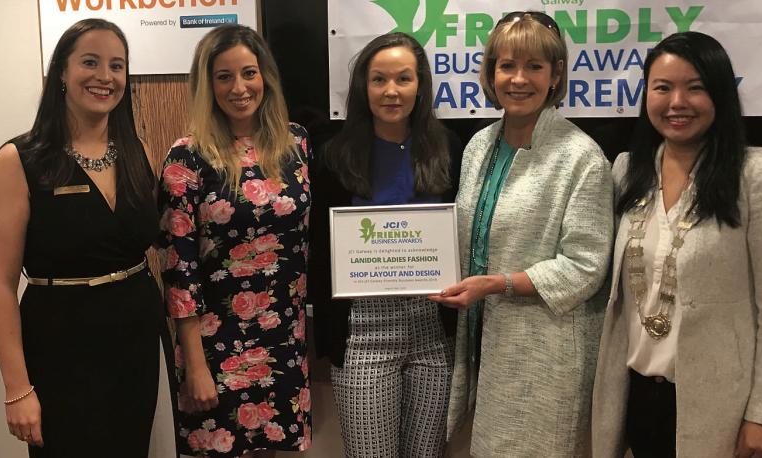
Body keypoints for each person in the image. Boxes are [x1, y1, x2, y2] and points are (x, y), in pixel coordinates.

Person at [591, 31, 762, 458]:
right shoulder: (627, 171)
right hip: (638, 399)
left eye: (695, 87)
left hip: (726, 407)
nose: (676, 102)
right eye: (663, 88)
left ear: (720, 94)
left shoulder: (756, 173)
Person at [430, 12, 613, 457]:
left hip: (543, 349)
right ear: (491, 73)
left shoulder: (581, 157)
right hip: (480, 342)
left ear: (555, 76)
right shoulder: (479, 145)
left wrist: (497, 284)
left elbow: (585, 267)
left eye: (534, 66)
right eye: (507, 65)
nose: (518, 79)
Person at [0, 18, 166, 457]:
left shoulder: (139, 151)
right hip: (59, 346)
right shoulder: (19, 160)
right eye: (90, 62)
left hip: (134, 342)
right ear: (62, 74)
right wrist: (17, 388)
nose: (105, 77)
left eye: (117, 65)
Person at [158, 24, 311, 457]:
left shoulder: (296, 143)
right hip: (214, 345)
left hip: (284, 336)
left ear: (266, 76)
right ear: (207, 85)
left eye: (248, 73)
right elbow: (179, 268)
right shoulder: (186, 157)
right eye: (224, 76)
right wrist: (196, 367)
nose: (239, 87)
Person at [309, 32, 462, 458]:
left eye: (403, 79)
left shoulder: (448, 149)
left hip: (433, 327)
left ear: (421, 85)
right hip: (362, 330)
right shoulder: (334, 156)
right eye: (379, 80)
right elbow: (320, 254)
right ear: (364, 87)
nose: (391, 91)